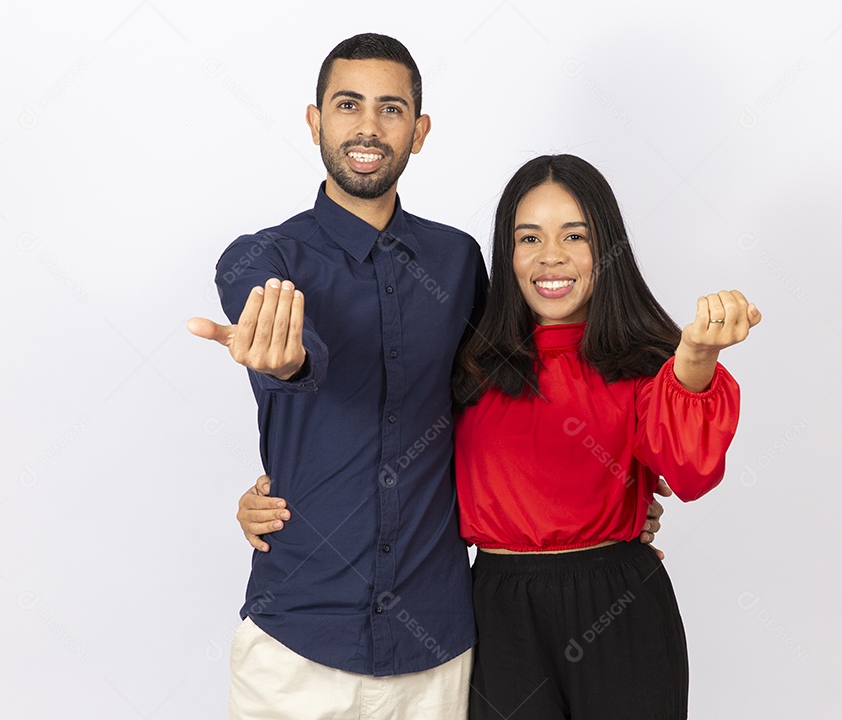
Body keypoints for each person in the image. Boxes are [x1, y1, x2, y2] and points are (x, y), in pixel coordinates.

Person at [189, 35, 668, 719]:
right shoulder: (262, 258)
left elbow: (518, 391)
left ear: (419, 132)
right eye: (347, 104)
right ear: (314, 121)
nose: (367, 127)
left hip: (438, 648)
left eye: (391, 109)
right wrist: (287, 358)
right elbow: (293, 346)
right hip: (295, 642)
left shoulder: (457, 261)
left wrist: (606, 494)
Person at [240, 154, 761, 719]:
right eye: (529, 237)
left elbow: (688, 472)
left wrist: (696, 363)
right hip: (496, 610)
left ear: (606, 248)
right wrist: (283, 495)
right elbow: (390, 439)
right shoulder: (472, 362)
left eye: (575, 235)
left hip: (619, 603)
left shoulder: (646, 364)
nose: (551, 256)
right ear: (506, 255)